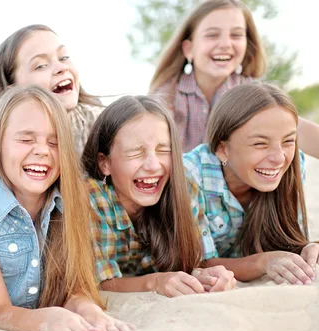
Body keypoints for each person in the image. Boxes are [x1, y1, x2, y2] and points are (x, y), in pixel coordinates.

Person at [0, 85, 135, 331]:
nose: (42, 150)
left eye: (54, 142)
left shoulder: (73, 202)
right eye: (26, 139)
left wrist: (90, 312)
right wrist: (52, 319)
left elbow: (73, 289)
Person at [82, 95, 236, 297]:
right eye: (136, 153)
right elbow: (99, 282)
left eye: (164, 150)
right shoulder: (90, 198)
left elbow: (193, 264)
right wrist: (155, 282)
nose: (154, 165)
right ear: (105, 163)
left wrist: (206, 275)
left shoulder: (184, 187)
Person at [184, 82, 318, 284]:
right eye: (260, 144)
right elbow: (197, 264)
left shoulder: (293, 164)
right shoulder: (190, 175)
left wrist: (307, 248)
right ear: (222, 149)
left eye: (288, 141)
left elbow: (285, 239)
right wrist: (264, 262)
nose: (279, 158)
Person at [150, 0, 319, 157]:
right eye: (212, 35)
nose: (225, 44)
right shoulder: (167, 95)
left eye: (236, 35)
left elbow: (294, 128)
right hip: (179, 187)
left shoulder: (253, 94)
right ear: (189, 49)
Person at [0, 24, 104, 197]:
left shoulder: (98, 123)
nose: (61, 68)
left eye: (64, 57)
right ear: (12, 90)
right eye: (40, 66)